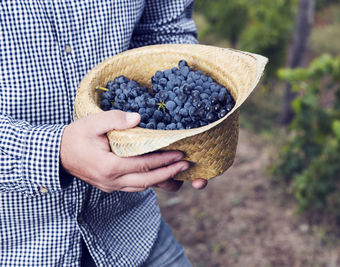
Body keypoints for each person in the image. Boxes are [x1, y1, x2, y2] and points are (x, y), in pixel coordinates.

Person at [0, 0, 207, 266]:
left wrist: (182, 124)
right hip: (17, 248)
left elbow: (164, 31)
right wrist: (53, 152)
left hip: (133, 234)